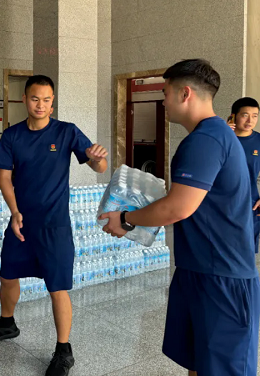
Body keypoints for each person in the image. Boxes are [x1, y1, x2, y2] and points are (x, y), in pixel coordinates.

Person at [99, 59, 259, 376]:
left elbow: (179, 207)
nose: (163, 102)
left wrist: (126, 218)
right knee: (198, 363)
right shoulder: (210, 136)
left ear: (185, 93)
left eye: (165, 93)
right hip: (198, 269)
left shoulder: (206, 140)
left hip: (221, 277)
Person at [0, 75, 108, 376]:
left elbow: (98, 166)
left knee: (57, 286)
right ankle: (7, 324)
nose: (41, 105)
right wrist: (14, 212)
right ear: (24, 99)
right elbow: (4, 177)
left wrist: (96, 159)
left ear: (53, 102)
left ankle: (63, 350)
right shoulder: (12, 136)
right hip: (21, 222)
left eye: (47, 100)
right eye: (35, 98)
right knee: (8, 275)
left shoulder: (66, 131)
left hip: (55, 225)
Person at [228, 97, 260, 252]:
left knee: (246, 250)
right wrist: (224, 134)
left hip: (250, 203)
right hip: (223, 202)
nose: (250, 120)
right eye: (245, 115)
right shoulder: (222, 138)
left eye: (255, 116)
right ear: (233, 116)